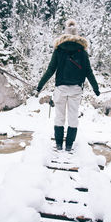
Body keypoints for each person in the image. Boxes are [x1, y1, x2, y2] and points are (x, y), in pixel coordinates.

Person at [37, 19, 100, 151]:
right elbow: (88, 71)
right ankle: (69, 146)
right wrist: (96, 88)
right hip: (76, 89)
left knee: (59, 116)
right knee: (73, 117)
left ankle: (59, 145)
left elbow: (50, 70)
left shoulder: (59, 50)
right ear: (77, 35)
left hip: (60, 88)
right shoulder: (82, 51)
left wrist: (40, 86)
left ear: (65, 34)